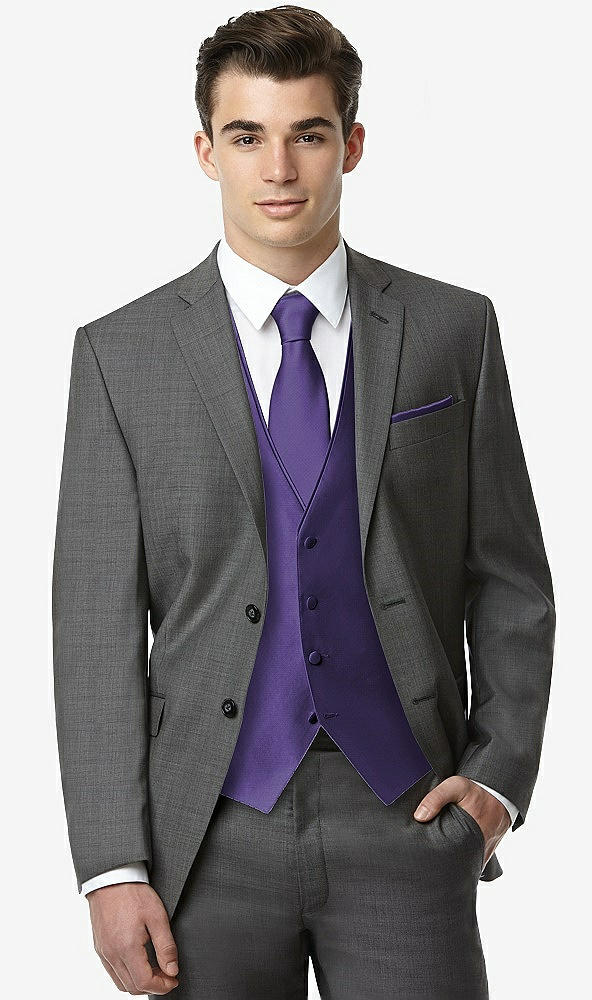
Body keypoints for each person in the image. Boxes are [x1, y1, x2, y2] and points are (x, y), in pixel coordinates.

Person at [52, 6, 556, 998]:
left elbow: (509, 579)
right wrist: (112, 864)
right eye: (247, 136)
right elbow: (93, 626)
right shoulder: (120, 355)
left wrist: (498, 780)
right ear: (207, 151)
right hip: (206, 830)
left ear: (351, 144)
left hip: (410, 815)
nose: (278, 168)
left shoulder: (451, 329)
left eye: (308, 134)